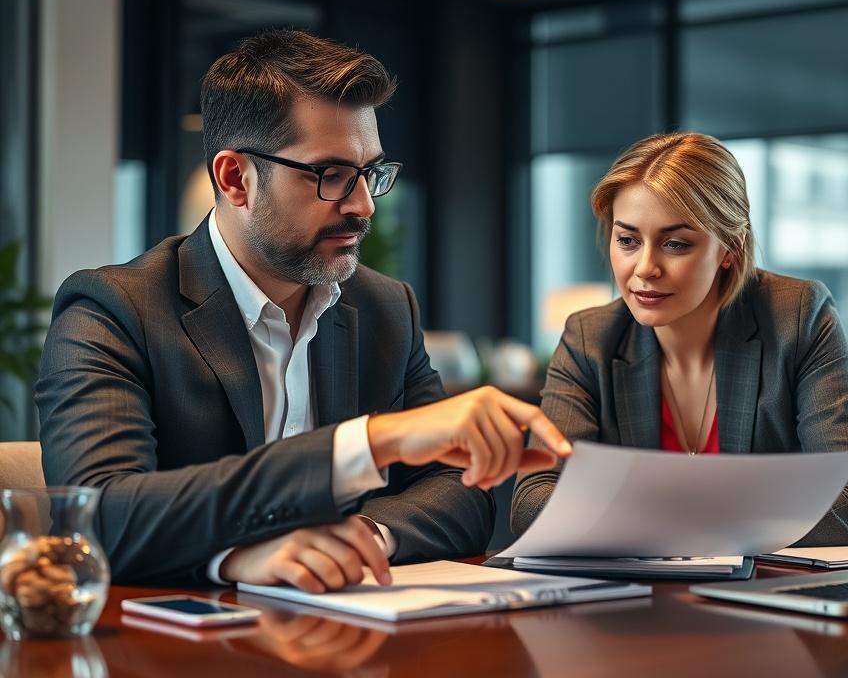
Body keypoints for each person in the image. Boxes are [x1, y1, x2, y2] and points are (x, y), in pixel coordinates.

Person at [37, 29, 571, 591]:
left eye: (371, 174)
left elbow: (460, 490)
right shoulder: (114, 309)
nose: (363, 205)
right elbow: (97, 517)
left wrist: (363, 537)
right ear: (235, 178)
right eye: (331, 175)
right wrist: (369, 446)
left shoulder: (386, 307)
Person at [511, 132, 848, 545]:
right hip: (636, 597)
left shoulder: (799, 317)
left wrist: (636, 513)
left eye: (675, 244)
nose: (646, 267)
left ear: (730, 248)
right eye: (628, 240)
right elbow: (533, 503)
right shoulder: (589, 338)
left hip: (764, 598)